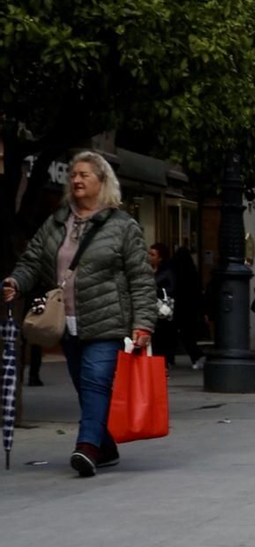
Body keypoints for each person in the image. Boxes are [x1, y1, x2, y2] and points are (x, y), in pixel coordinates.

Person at [3, 147, 155, 477]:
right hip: (67, 323)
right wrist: (16, 281)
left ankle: (86, 447)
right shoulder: (57, 222)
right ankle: (106, 447)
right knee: (85, 388)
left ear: (102, 181)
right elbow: (32, 261)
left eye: (84, 174)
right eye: (73, 175)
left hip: (108, 321)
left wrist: (143, 323)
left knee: (96, 382)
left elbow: (141, 279)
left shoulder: (123, 226)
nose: (76, 180)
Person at [170, 243, 204, 368]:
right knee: (187, 335)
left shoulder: (174, 271)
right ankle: (196, 356)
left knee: (173, 334)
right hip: (190, 308)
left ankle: (170, 358)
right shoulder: (192, 272)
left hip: (176, 307)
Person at [149, 242, 179, 362]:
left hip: (162, 310)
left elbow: (172, 288)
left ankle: (164, 362)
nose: (149, 257)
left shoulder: (167, 271)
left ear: (160, 258)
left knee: (161, 338)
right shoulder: (147, 270)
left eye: (153, 255)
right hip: (150, 308)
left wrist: (159, 291)